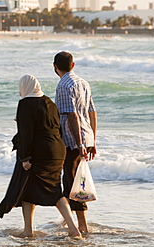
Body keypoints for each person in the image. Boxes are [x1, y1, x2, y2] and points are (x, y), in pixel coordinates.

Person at [0, 74, 81, 239]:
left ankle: (30, 231)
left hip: (39, 152)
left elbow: (27, 134)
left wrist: (25, 158)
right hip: (57, 150)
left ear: (24, 87)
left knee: (34, 190)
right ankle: (70, 228)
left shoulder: (25, 103)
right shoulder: (50, 102)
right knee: (52, 190)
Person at [53, 51, 98, 233]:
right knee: (73, 178)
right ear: (73, 65)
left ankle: (82, 225)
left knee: (73, 180)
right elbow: (92, 112)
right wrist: (92, 140)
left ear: (55, 66)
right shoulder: (83, 83)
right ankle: (68, 219)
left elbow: (71, 115)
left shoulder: (63, 85)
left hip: (72, 139)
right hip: (86, 135)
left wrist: (79, 145)